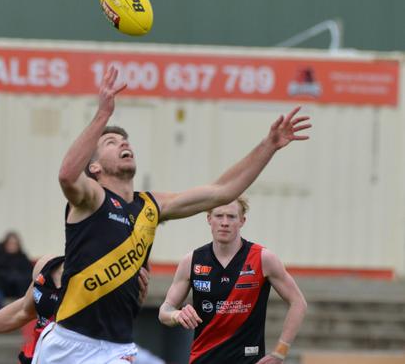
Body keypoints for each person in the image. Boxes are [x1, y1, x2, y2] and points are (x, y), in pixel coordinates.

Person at [32, 66, 311, 363]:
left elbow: (222, 191)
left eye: (125, 140)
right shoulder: (90, 198)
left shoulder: (152, 207)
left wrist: (268, 146)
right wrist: (103, 116)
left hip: (116, 348)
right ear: (95, 168)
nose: (123, 143)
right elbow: (66, 176)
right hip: (69, 343)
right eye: (110, 143)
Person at [158, 197, 307, 363]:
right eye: (219, 216)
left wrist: (280, 352)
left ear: (242, 221)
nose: (224, 222)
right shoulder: (192, 261)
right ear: (209, 219)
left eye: (231, 216)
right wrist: (177, 315)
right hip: (203, 359)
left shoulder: (263, 258)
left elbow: (298, 303)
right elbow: (165, 311)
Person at [0, 255, 150, 364]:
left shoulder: (119, 275)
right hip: (38, 357)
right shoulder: (48, 265)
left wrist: (135, 302)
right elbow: (22, 311)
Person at [0, 231, 33, 298]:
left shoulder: (22, 257)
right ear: (5, 244)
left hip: (23, 288)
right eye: (10, 243)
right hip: (6, 288)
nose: (12, 246)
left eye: (15, 244)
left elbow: (30, 272)